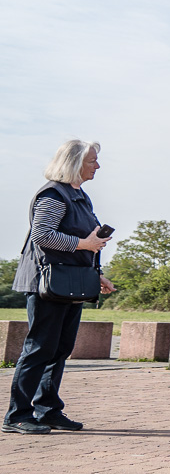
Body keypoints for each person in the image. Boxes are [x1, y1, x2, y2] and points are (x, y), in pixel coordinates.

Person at [4, 140, 116, 435]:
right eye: (93, 161)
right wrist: (84, 244)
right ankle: (17, 415)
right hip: (47, 283)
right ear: (75, 163)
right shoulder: (54, 194)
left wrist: (97, 274)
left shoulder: (80, 196)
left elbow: (88, 241)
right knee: (40, 347)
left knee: (60, 348)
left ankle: (48, 410)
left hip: (70, 282)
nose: (98, 166)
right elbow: (42, 235)